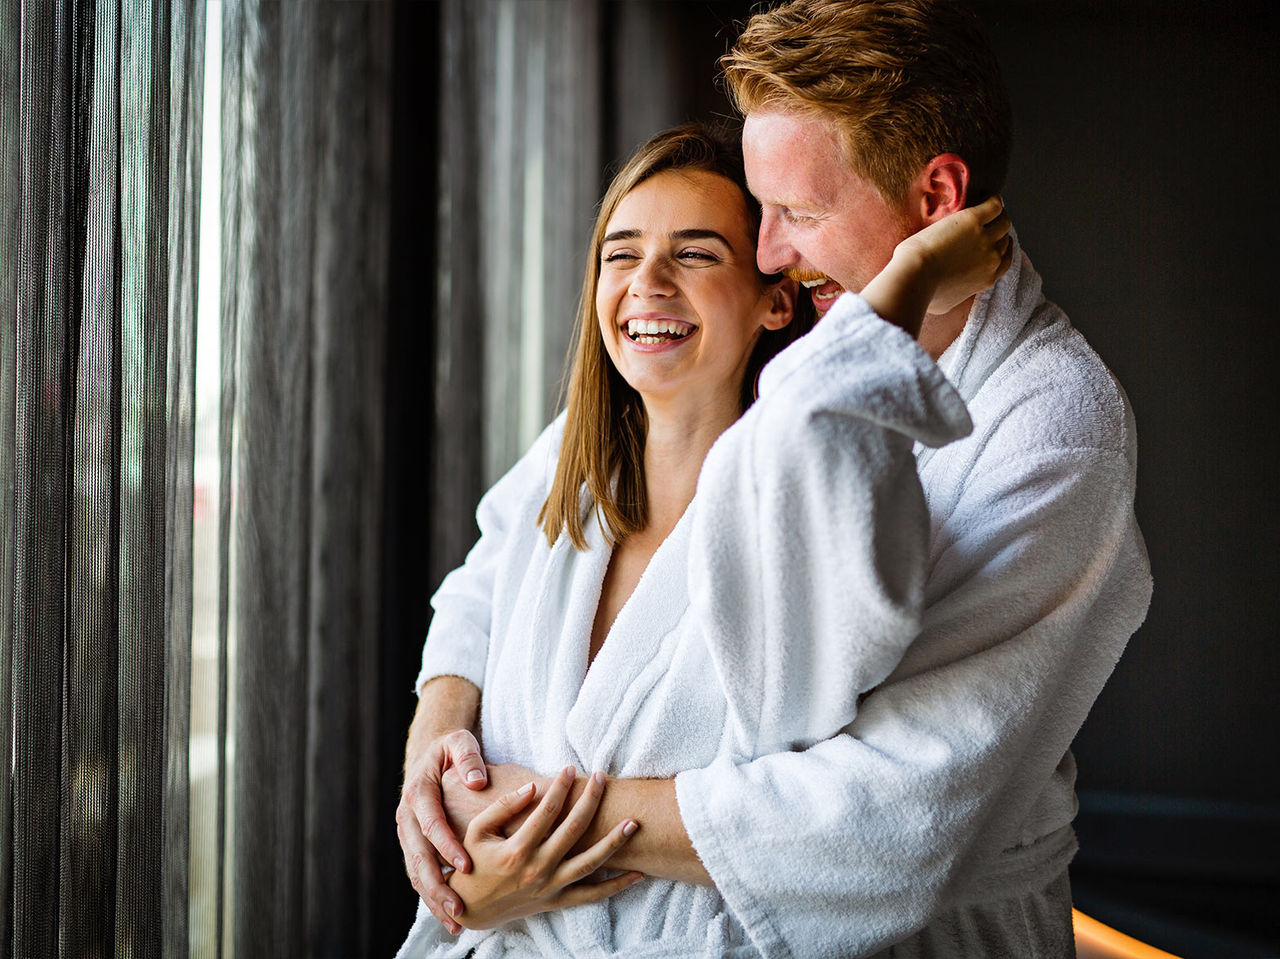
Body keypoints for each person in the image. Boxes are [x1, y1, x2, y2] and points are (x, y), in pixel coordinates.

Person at [402, 1, 1153, 956]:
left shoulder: (1050, 428)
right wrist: (438, 738)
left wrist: (536, 849)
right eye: (761, 215)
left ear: (936, 201)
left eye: (797, 213)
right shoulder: (760, 353)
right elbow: (506, 550)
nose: (771, 256)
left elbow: (890, 811)